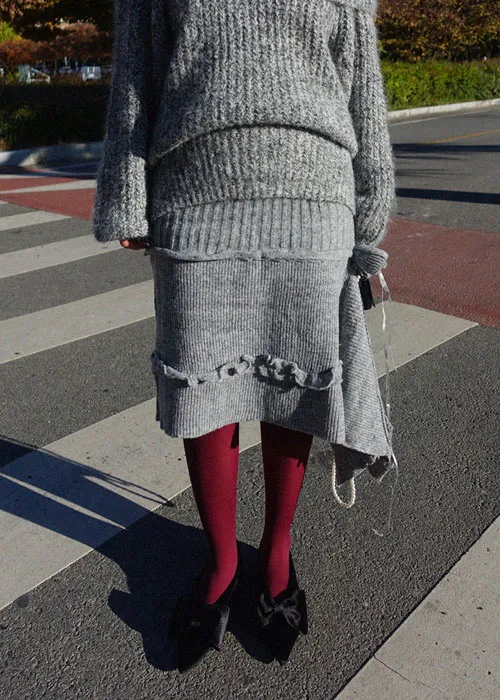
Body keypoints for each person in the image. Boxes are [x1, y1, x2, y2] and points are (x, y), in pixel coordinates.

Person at [92, 0, 398, 673]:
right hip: (195, 193)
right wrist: (127, 192)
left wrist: (372, 198)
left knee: (296, 381)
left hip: (313, 195)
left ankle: (277, 553)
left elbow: (359, 74)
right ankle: (223, 561)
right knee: (202, 385)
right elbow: (137, 69)